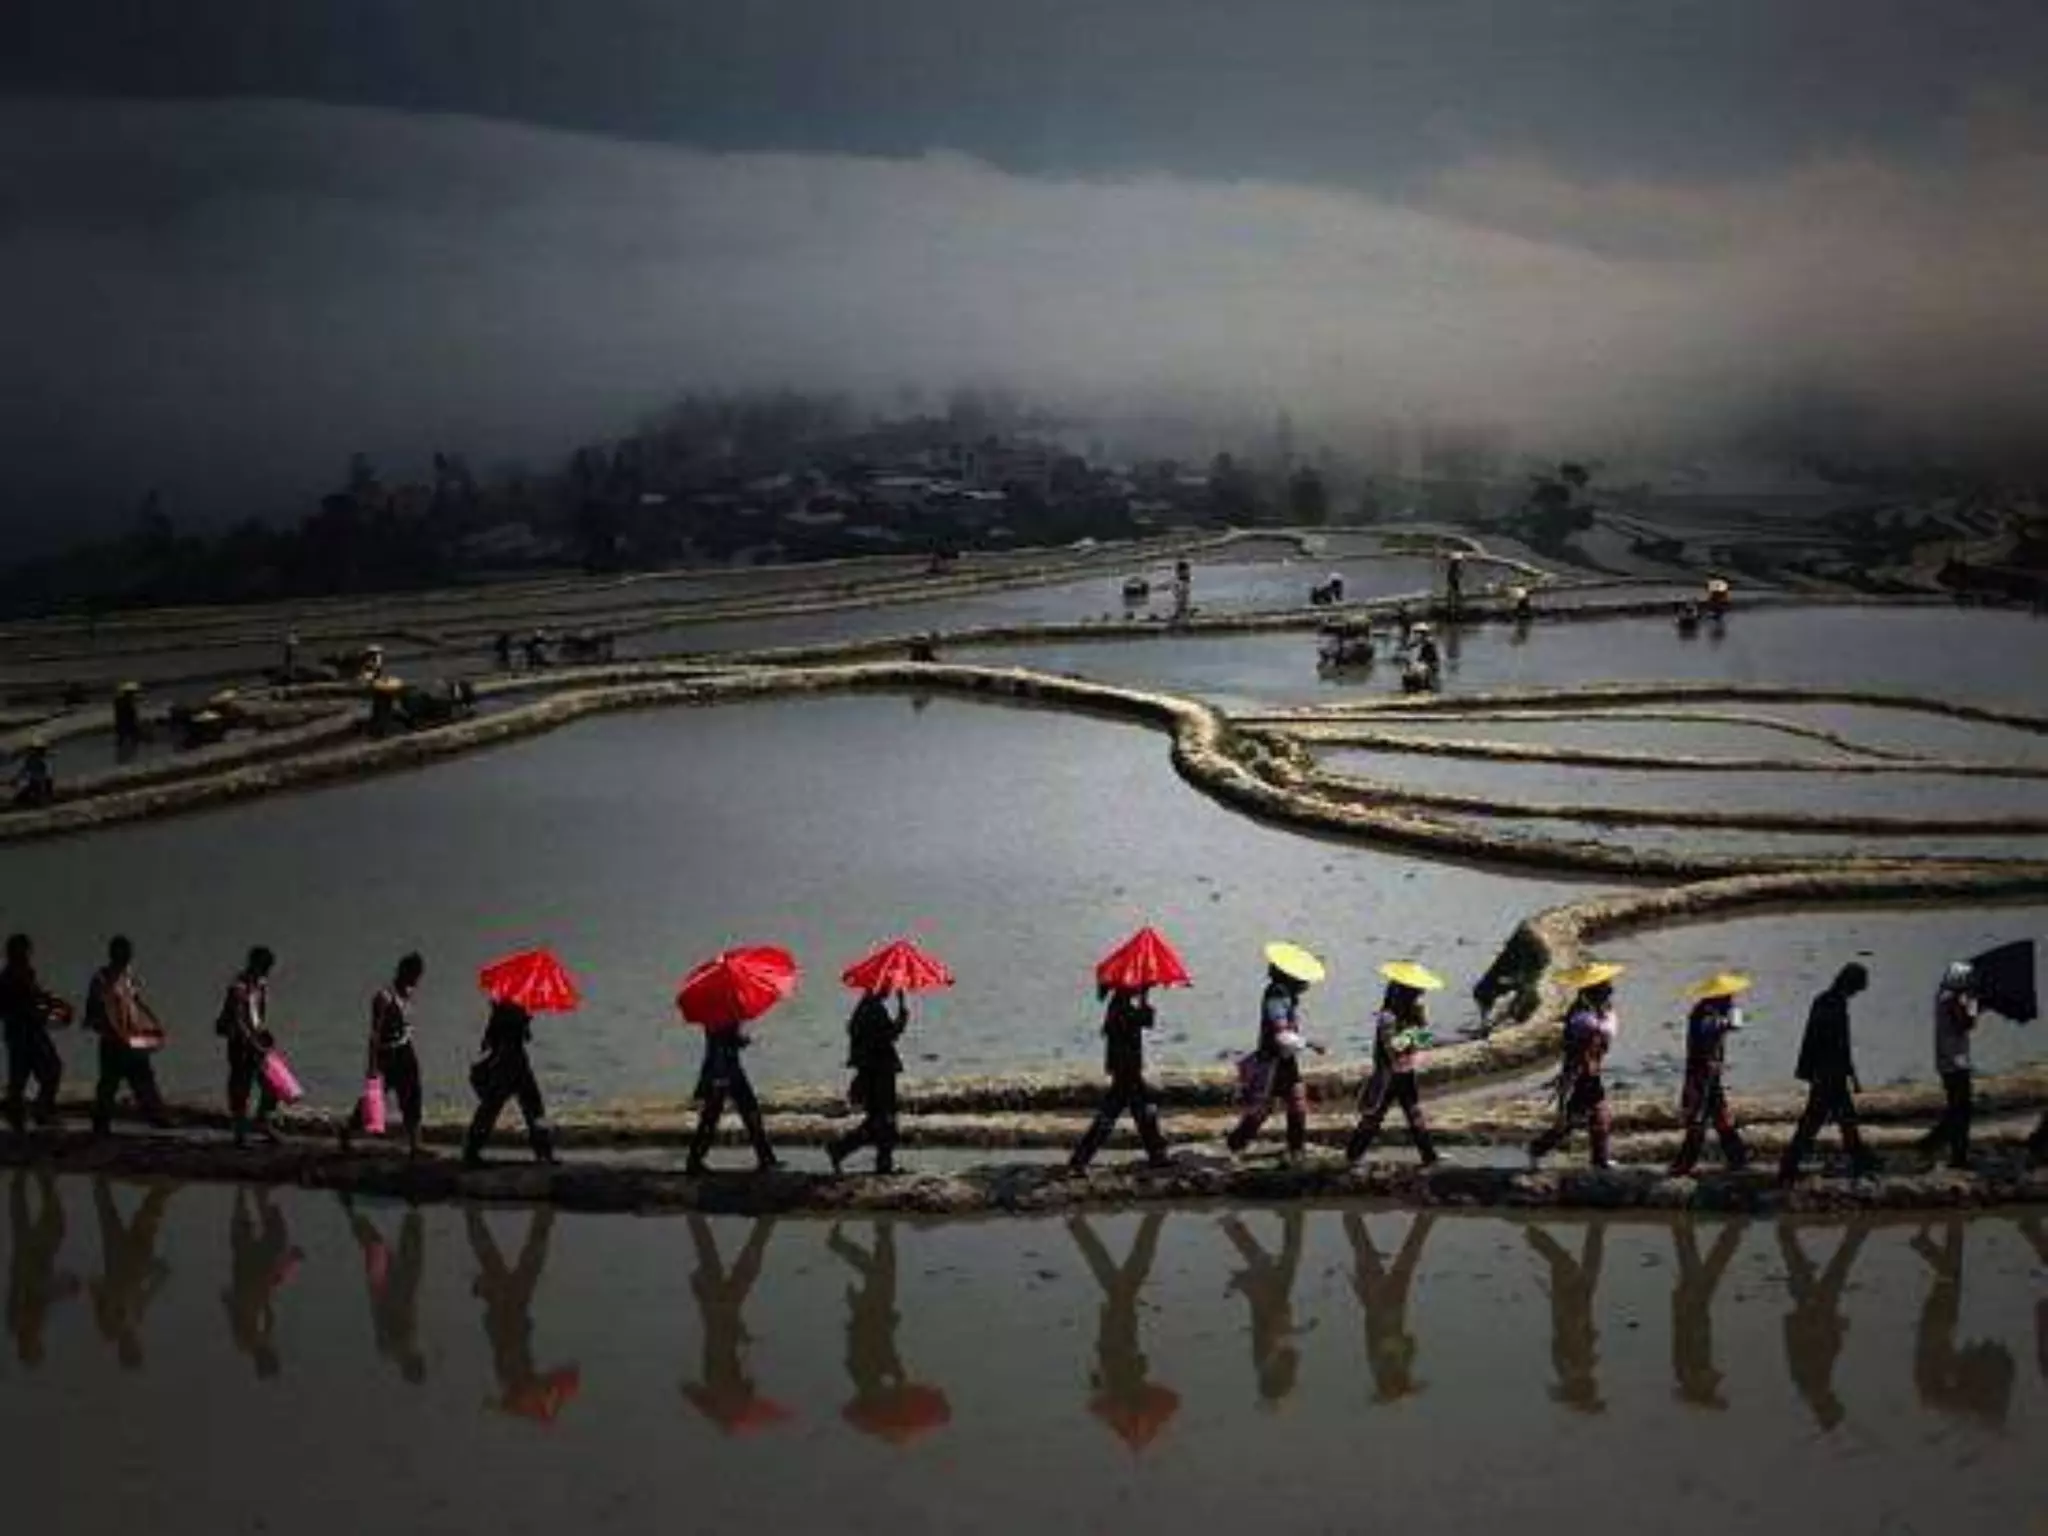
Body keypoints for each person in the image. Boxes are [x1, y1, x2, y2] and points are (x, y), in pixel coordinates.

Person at [1779, 964, 1878, 1183]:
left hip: (1831, 1072)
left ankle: (1859, 1160)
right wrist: (1821, 1072)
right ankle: (1788, 1166)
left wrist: (1851, 1073)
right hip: (1828, 1074)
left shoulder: (1830, 1000)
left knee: (1842, 1120)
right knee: (1815, 1123)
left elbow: (1837, 1043)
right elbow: (1823, 1041)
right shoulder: (1830, 1003)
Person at [1226, 946, 1326, 1160]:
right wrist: (1310, 1043)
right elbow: (1281, 1035)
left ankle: (1296, 1150)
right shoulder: (1277, 997)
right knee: (1263, 1110)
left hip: (1285, 1060)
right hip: (1272, 1063)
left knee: (1297, 1104)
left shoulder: (1286, 995)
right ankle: (1236, 1143)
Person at [1345, 962, 1442, 1166]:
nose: (1419, 995)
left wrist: (1421, 1024)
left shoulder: (1411, 1014)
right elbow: (1393, 1048)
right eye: (1415, 991)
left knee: (1413, 1114)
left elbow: (1425, 1040)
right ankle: (1352, 1156)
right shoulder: (1388, 1018)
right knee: (1374, 1117)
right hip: (1388, 1075)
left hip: (1405, 1072)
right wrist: (1415, 1034)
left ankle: (1429, 1156)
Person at [1528, 962, 1623, 1169]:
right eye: (1606, 986)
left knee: (1598, 1118)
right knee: (1577, 1121)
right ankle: (1538, 1148)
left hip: (1591, 1073)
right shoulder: (1581, 1016)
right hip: (1579, 1074)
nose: (1611, 989)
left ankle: (1599, 1160)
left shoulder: (1596, 1009)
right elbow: (1598, 1035)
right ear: (1595, 989)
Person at [1069, 984, 1171, 1172]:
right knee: (1126, 1113)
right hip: (1127, 1070)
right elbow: (1145, 1020)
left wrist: (1143, 1000)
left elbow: (1142, 1021)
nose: (1136, 989)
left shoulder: (1117, 1007)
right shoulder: (1122, 1009)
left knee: (1140, 1111)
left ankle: (1157, 1155)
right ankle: (1080, 1159)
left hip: (1124, 1069)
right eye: (1135, 987)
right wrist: (1145, 1001)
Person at [341, 953, 426, 1157]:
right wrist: (372, 1065)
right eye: (414, 975)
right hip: (387, 1054)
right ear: (404, 972)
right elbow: (375, 1033)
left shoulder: (408, 993)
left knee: (413, 1096)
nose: (416, 980)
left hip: (405, 1050)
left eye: (418, 976)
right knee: (375, 1097)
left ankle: (415, 1145)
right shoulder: (384, 997)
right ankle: (347, 1132)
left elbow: (406, 1025)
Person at [1344, 1212, 1434, 1402]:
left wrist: (1402, 1347)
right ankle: (1350, 1216)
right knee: (1399, 1260)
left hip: (1381, 1306)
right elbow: (1409, 1342)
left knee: (1384, 1258)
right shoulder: (1393, 1365)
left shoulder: (1382, 1365)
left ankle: (1350, 1215)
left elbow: (1402, 1341)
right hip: (1388, 1307)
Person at [84, 936, 169, 1137]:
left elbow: (137, 1002)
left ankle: (155, 1115)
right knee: (109, 1082)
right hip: (113, 1039)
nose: (127, 957)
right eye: (123, 953)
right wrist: (115, 1031)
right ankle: (101, 1123)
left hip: (130, 1035)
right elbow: (102, 1008)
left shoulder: (127, 977)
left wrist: (154, 1024)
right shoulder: (102, 978)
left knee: (143, 1077)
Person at [1669, 974, 1751, 1176]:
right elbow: (1724, 1026)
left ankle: (1738, 1159)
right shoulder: (1704, 1015)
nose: (1732, 1000)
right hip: (1700, 1077)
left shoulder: (1712, 1011)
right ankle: (1682, 1166)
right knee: (1697, 1123)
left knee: (1723, 1118)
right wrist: (1727, 1019)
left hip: (1711, 1076)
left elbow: (1732, 1025)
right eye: (1728, 996)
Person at [461, 999, 557, 1166]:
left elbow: (494, 1039)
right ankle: (544, 1152)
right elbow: (521, 1036)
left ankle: (472, 1150)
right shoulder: (509, 1007)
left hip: (508, 1062)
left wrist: (525, 1017)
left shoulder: (503, 1006)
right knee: (532, 1108)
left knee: (492, 1108)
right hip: (511, 1062)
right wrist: (524, 1019)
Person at [828, 989, 908, 1175]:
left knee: (879, 1120)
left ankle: (846, 1151)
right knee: (884, 1120)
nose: (889, 989)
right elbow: (889, 1036)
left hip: (871, 1071)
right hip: (879, 1072)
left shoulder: (865, 1008)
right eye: (886, 985)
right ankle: (845, 1150)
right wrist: (902, 1013)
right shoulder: (874, 1010)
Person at [685, 1024, 779, 1174]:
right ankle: (694, 1160)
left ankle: (766, 1158)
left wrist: (740, 1040)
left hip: (725, 1069)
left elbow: (724, 1041)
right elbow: (720, 1045)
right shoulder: (723, 1017)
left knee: (740, 1112)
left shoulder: (718, 1015)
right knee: (741, 1112)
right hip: (723, 1071)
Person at [2, 934, 71, 1133]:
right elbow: (20, 1004)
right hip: (24, 1033)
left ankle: (31, 1113)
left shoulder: (22, 974)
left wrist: (50, 1003)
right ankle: (35, 1112)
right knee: (43, 1071)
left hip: (27, 1032)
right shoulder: (11, 977)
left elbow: (35, 997)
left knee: (32, 1075)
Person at [1918, 961, 1980, 1170]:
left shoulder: (1944, 997)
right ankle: (1951, 1152)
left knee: (1958, 1109)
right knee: (1961, 1110)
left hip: (1949, 1060)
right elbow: (1966, 1023)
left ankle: (1935, 1143)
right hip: (1955, 1062)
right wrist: (1973, 1003)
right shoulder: (1952, 1001)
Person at [219, 946, 281, 1148]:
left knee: (273, 1085)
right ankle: (239, 1133)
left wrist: (264, 1033)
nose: (266, 972)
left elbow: (259, 1017)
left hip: (255, 1039)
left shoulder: (261, 985)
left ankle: (262, 1121)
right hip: (240, 1042)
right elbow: (238, 1020)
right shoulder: (239, 987)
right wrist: (252, 1042)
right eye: (264, 967)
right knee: (241, 1087)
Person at [13, 739, 54, 807]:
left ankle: (42, 800)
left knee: (37, 795)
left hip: (40, 782)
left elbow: (46, 774)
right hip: (35, 782)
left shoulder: (41, 761)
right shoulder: (31, 760)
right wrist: (17, 778)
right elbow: (24, 770)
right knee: (21, 798)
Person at [112, 682, 143, 751]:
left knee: (122, 739)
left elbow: (118, 713)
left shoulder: (119, 701)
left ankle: (121, 752)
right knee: (132, 739)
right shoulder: (127, 702)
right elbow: (132, 714)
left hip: (121, 723)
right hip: (127, 723)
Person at [1169, 559, 1193, 625]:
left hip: (1182, 610)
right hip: (1181, 612)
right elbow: (1181, 600)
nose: (1189, 572)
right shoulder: (1181, 584)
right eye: (1187, 570)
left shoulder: (1184, 582)